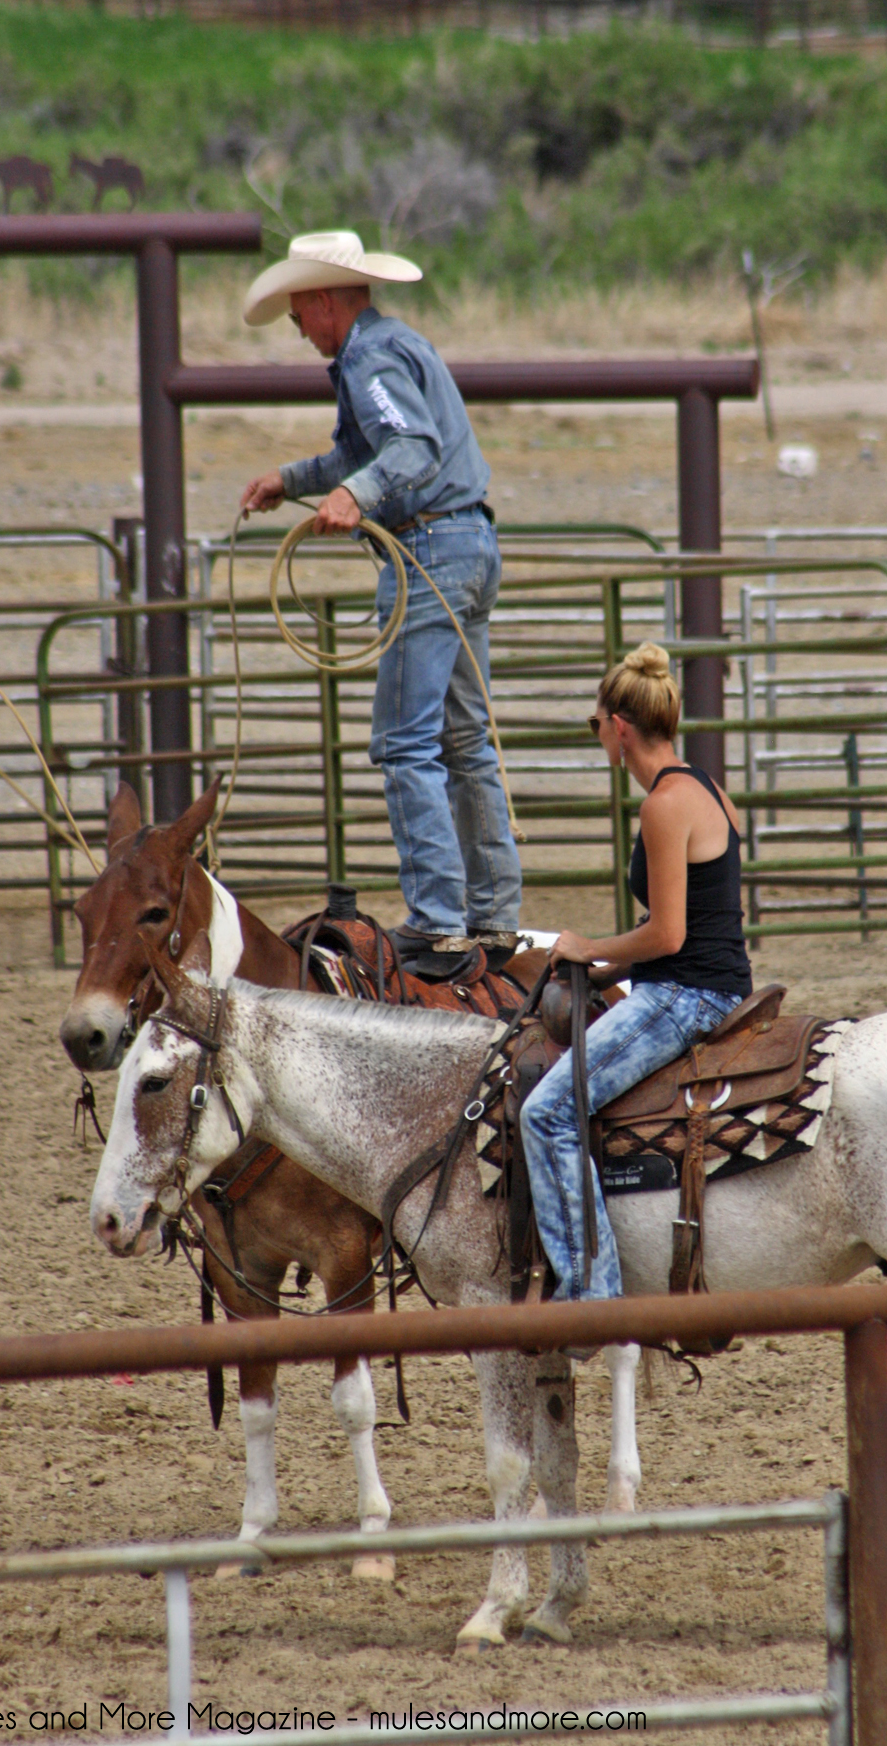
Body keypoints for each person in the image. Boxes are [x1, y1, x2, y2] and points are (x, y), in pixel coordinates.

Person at [238, 231, 522, 975]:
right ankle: (492, 918)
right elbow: (371, 451)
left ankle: (438, 921)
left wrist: (352, 494)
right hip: (467, 545)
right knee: (465, 741)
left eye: (300, 318)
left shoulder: (365, 359)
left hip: (427, 551)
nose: (301, 333)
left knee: (406, 744)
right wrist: (295, 477)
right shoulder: (396, 345)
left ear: (321, 302)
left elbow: (410, 449)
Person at [519, 642, 753, 1307]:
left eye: (596, 726)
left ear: (620, 728)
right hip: (704, 980)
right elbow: (693, 932)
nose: (599, 739)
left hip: (686, 998)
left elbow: (669, 935)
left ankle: (591, 1291)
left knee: (548, 1112)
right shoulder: (705, 788)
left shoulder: (662, 806)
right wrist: (596, 964)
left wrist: (590, 943)